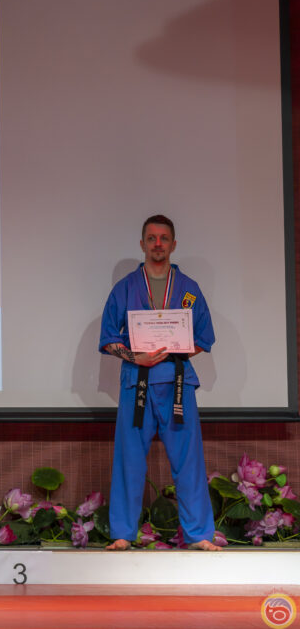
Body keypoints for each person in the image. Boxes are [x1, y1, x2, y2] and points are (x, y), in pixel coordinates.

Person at [98, 215, 221, 551]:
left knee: (188, 460)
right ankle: (123, 533)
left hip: (176, 383)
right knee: (129, 460)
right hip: (135, 383)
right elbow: (108, 339)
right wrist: (135, 357)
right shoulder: (125, 288)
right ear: (142, 244)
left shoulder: (189, 289)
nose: (157, 244)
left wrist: (175, 351)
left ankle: (199, 535)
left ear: (173, 244)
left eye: (164, 238)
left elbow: (204, 338)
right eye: (151, 238)